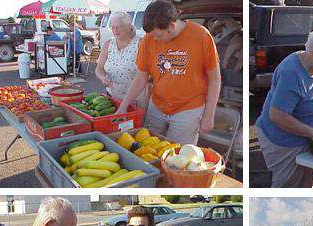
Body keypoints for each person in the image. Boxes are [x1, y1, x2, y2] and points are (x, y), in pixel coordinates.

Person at [116, 0, 221, 146]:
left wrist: (209, 115)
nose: (155, 40)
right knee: (147, 149)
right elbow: (141, 78)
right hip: (157, 107)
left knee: (177, 157)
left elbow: (215, 79)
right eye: (152, 36)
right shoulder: (149, 39)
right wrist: (123, 106)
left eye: (159, 36)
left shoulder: (201, 36)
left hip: (188, 111)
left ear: (171, 26)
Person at [255, 25, 313, 188]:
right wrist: (312, 133)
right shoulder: (292, 73)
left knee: (308, 184)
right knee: (289, 186)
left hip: (309, 138)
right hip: (284, 142)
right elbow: (277, 116)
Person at [95, 12, 149, 109]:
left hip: (136, 100)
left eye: (119, 27)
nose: (115, 30)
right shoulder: (108, 44)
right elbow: (99, 67)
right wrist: (103, 77)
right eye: (113, 27)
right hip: (112, 98)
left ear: (128, 26)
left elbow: (148, 75)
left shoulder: (141, 44)